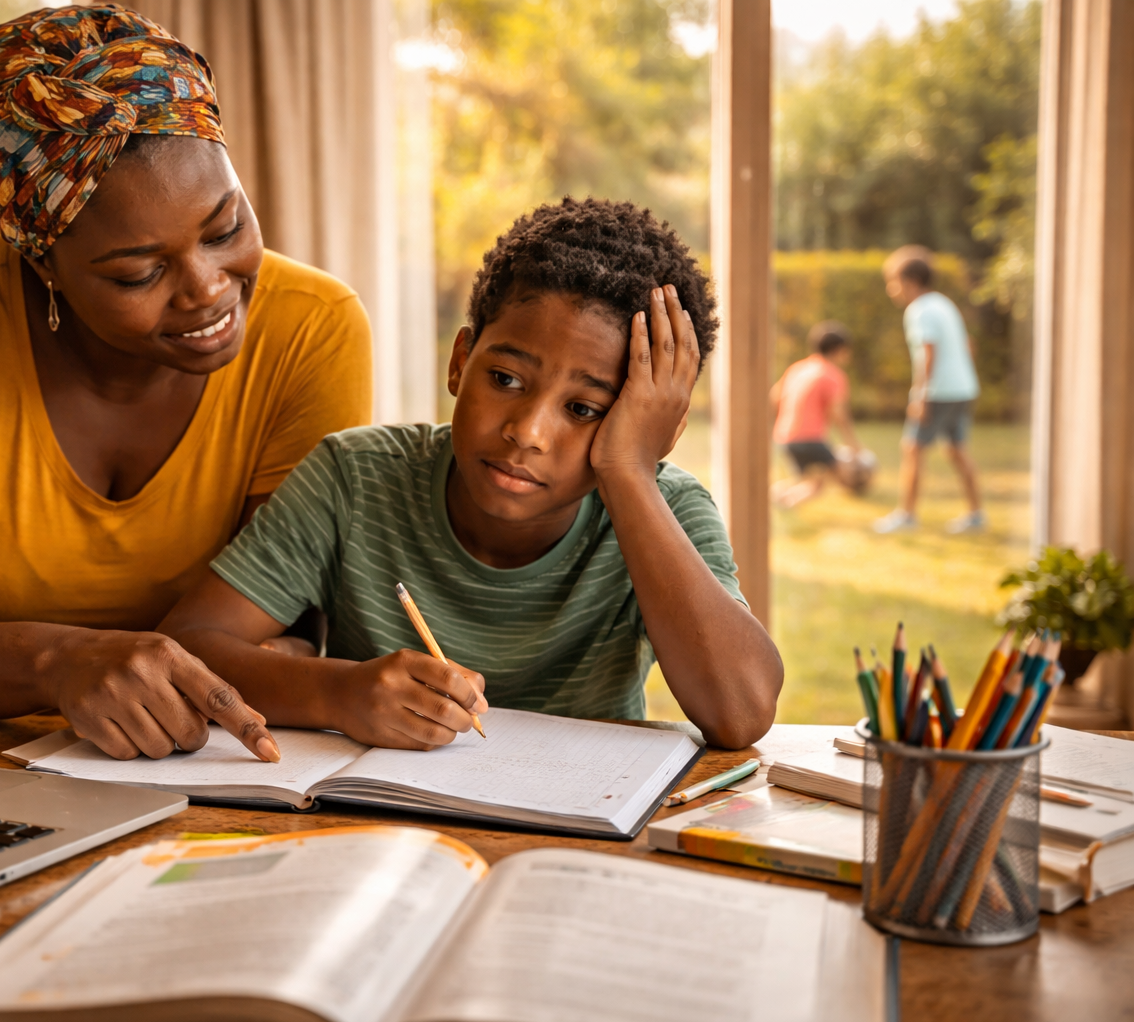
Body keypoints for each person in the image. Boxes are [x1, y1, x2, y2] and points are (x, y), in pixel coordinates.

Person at [0, 5, 377, 764]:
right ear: (39, 264)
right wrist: (58, 664)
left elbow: (285, 627)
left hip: (198, 761)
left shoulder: (312, 327)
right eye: (140, 272)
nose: (206, 289)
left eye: (226, 228)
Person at [161, 199, 783, 751]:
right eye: (506, 379)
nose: (528, 432)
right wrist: (338, 692)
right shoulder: (354, 478)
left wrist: (630, 472)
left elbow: (741, 712)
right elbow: (188, 644)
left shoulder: (663, 510)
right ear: (461, 361)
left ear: (649, 429)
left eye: (584, 410)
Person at [873, 246, 984, 534]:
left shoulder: (919, 310)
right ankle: (976, 515)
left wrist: (920, 395)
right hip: (963, 387)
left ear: (909, 282)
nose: (890, 290)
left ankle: (906, 515)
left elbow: (928, 354)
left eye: (892, 282)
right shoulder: (944, 303)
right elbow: (967, 346)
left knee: (912, 449)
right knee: (957, 450)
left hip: (939, 391)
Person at [770, 321, 862, 508]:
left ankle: (773, 496)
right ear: (838, 350)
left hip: (785, 437)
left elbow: (774, 396)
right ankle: (785, 503)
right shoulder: (833, 375)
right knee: (837, 479)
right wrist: (854, 445)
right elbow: (839, 414)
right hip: (810, 439)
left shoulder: (797, 368)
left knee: (805, 480)